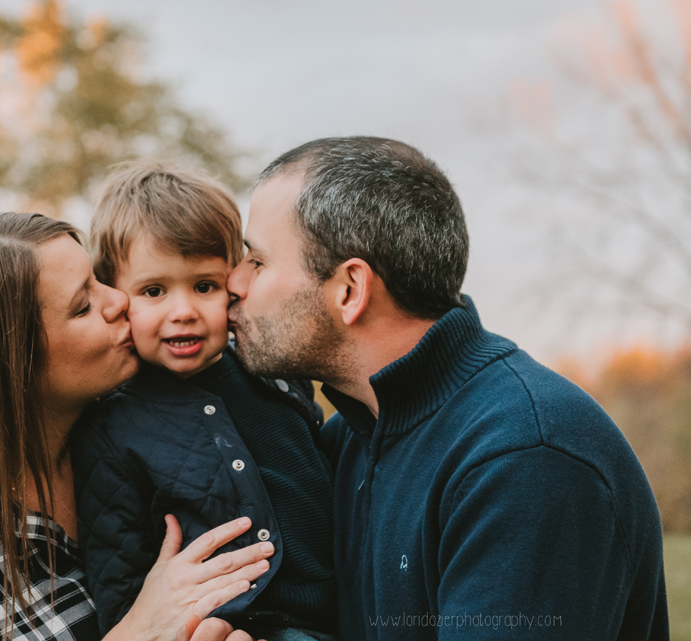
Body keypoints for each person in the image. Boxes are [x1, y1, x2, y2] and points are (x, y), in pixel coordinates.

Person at [226, 136, 670, 640]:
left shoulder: (525, 458)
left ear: (349, 290)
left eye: (256, 262)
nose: (232, 284)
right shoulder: (349, 440)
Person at [0, 212, 275, 641]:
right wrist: (139, 631)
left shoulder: (161, 424)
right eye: (83, 306)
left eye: (98, 279)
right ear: (10, 367)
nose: (119, 300)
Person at [70, 161, 337, 640]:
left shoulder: (274, 371)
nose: (183, 312)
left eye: (204, 286)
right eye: (153, 291)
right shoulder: (112, 427)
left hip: (349, 611)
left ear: (233, 280)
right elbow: (122, 585)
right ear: (116, 295)